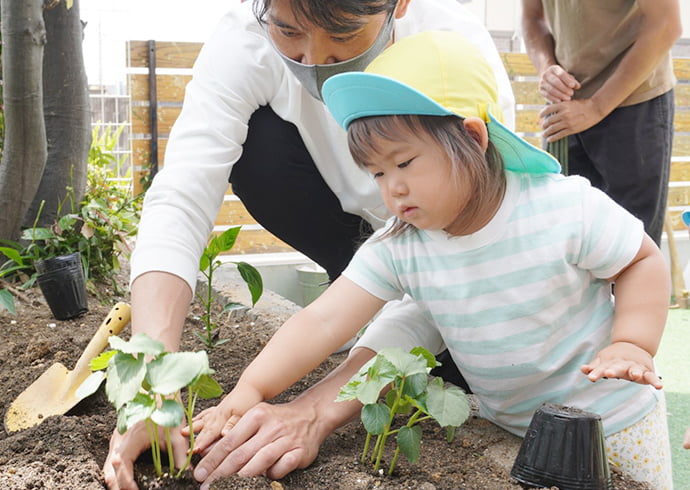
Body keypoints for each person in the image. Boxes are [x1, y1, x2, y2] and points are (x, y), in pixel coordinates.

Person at [190, 31, 673, 490]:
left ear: (473, 138)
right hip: (513, 430)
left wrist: (632, 343)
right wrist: (248, 391)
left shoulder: (561, 208)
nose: (391, 188)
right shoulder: (404, 243)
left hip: (614, 422)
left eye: (404, 163)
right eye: (377, 172)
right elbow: (322, 319)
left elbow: (640, 261)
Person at [104, 0, 516, 488]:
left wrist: (315, 410)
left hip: (466, 274)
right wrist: (154, 382)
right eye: (288, 30)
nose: (314, 59)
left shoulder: (455, 60)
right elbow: (182, 195)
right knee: (264, 155)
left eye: (343, 36)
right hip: (367, 239)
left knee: (455, 368)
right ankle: (360, 296)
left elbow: (457, 265)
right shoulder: (244, 41)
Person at [520, 0, 681, 246]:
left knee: (631, 252)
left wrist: (597, 106)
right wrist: (546, 68)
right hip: (565, 105)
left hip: (633, 102)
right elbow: (532, 17)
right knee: (567, 244)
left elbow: (666, 24)